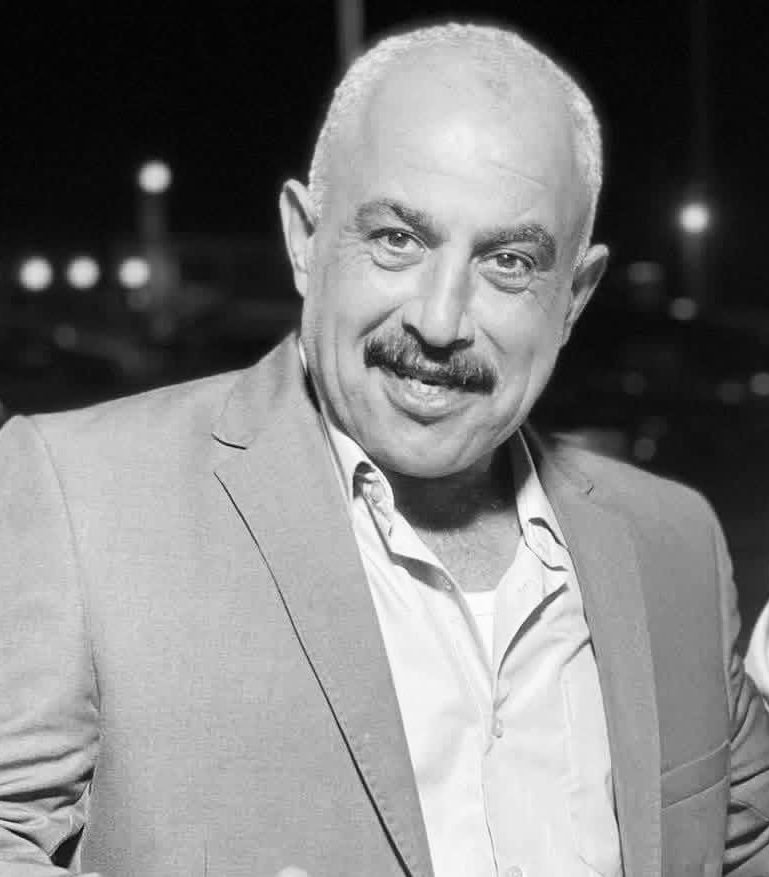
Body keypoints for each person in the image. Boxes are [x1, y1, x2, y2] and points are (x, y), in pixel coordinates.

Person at [1, 21, 768, 877]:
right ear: (304, 238)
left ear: (574, 296)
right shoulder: (80, 498)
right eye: (397, 239)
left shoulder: (673, 539)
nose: (438, 320)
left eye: (509, 261)